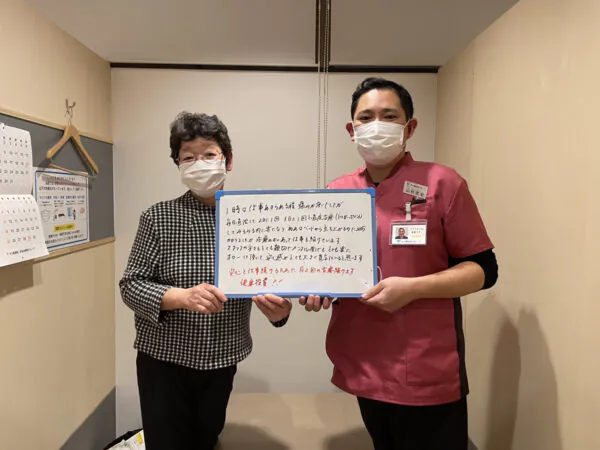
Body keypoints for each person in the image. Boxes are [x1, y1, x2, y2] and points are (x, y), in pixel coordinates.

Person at [300, 78, 498, 450]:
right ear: (352, 130)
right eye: (366, 117)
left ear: (410, 127)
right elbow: (331, 270)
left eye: (389, 116)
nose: (376, 125)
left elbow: (484, 269)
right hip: (363, 360)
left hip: (425, 365)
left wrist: (413, 288)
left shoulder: (443, 183)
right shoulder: (337, 192)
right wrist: (319, 290)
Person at [119, 112, 292, 450]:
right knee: (165, 442)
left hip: (222, 357)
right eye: (188, 157)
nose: (199, 163)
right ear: (178, 164)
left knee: (206, 439)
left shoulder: (255, 219)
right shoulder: (158, 217)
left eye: (209, 154)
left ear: (228, 160)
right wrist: (182, 297)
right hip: (163, 359)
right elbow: (131, 285)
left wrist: (280, 313)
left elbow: (274, 286)